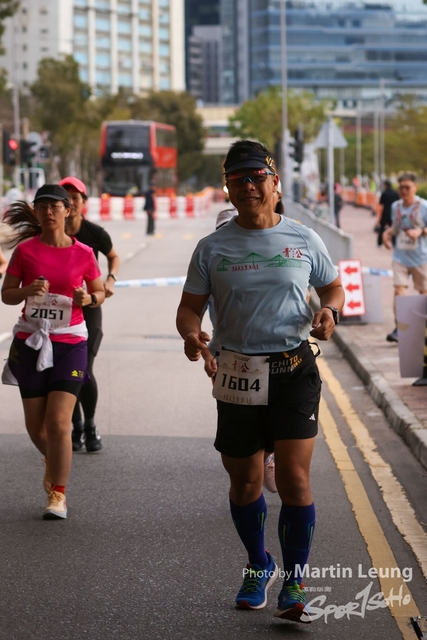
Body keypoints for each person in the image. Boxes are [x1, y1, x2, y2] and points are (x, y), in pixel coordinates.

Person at [176, 140, 344, 623]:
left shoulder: (303, 238)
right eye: (237, 179)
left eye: (256, 177)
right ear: (228, 188)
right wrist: (191, 335)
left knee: (293, 478)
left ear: (275, 184)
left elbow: (332, 287)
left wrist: (329, 311)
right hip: (238, 373)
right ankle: (258, 565)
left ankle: (295, 581)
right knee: (246, 479)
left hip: (294, 369)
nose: (248, 186)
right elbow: (189, 308)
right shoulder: (212, 247)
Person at [1, 184, 105, 519]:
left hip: (70, 342)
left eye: (55, 206)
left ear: (67, 210)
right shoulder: (25, 251)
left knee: (58, 422)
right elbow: (6, 294)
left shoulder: (84, 253)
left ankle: (58, 494)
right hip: (30, 341)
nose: (48, 212)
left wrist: (88, 299)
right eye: (42, 206)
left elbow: (99, 292)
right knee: (36, 428)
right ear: (36, 211)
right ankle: (55, 460)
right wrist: (26, 290)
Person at [58, 176, 120, 453]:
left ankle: (90, 425)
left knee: (82, 370)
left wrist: (110, 280)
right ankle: (76, 425)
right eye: (65, 198)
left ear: (83, 202)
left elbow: (113, 256)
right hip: (60, 311)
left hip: (89, 308)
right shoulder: (51, 232)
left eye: (76, 197)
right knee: (64, 371)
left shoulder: (94, 233)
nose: (70, 203)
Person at [382, 172, 427, 343]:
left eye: (407, 187)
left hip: (421, 257)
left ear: (415, 187)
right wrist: (387, 234)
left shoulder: (423, 206)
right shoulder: (396, 206)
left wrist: (420, 231)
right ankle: (400, 328)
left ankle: (423, 328)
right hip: (400, 256)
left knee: (423, 293)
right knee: (399, 291)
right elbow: (396, 227)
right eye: (401, 187)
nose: (404, 191)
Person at [377, 180, 399, 247]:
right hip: (393, 213)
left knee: (382, 228)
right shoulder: (395, 193)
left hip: (385, 213)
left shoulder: (384, 193)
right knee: (394, 228)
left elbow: (381, 203)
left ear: (385, 185)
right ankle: (394, 242)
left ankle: (379, 243)